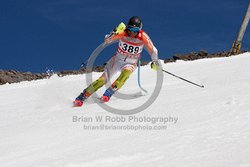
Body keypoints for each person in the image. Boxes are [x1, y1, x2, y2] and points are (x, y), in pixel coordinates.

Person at [74, 16, 160, 107]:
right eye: (130, 29)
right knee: (102, 80)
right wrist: (113, 33)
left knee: (125, 75)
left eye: (135, 30)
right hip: (116, 60)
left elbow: (153, 50)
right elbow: (107, 40)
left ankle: (109, 92)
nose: (132, 32)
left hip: (131, 63)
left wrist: (155, 61)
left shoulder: (143, 36)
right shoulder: (123, 32)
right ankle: (83, 95)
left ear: (139, 29)